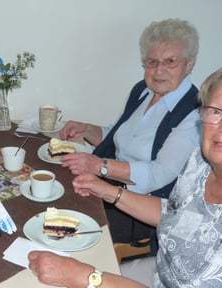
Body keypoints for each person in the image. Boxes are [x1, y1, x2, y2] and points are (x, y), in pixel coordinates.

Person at [29, 61, 222, 287]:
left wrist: (84, 277)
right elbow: (174, 213)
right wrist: (109, 191)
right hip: (161, 275)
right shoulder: (202, 161)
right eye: (215, 112)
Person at [59, 18, 201, 250]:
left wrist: (100, 166)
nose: (159, 70)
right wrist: (86, 129)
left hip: (139, 210)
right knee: (50, 189)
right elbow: (119, 136)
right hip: (106, 185)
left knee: (67, 220)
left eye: (170, 61)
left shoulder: (194, 112)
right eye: (152, 61)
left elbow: (160, 173)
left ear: (189, 63)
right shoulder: (142, 91)